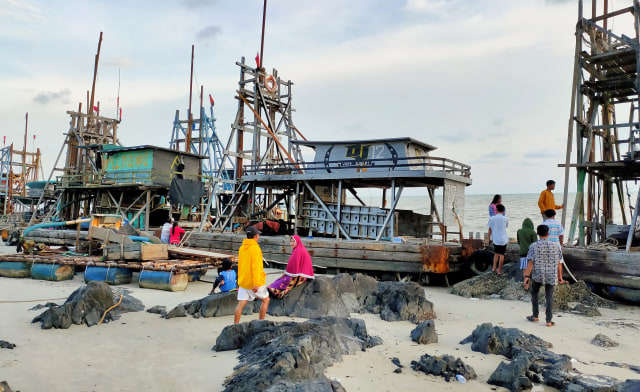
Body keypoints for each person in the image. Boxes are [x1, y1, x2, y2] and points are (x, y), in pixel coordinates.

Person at [523, 224, 564, 327]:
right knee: (549, 296)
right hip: (551, 274)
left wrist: (526, 277)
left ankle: (535, 316)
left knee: (534, 293)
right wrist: (560, 277)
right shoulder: (556, 246)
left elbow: (531, 262)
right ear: (548, 234)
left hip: (538, 274)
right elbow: (559, 263)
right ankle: (548, 321)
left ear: (537, 233)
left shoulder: (533, 246)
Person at [234, 226, 270, 324]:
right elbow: (256, 267)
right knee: (266, 300)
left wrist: (239, 280)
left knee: (241, 304)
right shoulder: (255, 249)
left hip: (243, 280)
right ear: (256, 236)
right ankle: (260, 323)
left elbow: (240, 265)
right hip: (254, 281)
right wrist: (257, 283)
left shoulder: (242, 248)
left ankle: (235, 325)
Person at [542, 209, 566, 284]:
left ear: (546, 215)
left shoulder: (543, 224)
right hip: (556, 245)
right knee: (559, 262)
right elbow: (561, 235)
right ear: (553, 215)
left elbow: (542, 236)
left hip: (546, 246)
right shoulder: (558, 223)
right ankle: (560, 279)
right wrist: (561, 245)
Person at [487, 204, 508, 274]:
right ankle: (499, 270)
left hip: (495, 239)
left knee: (496, 253)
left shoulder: (492, 218)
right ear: (503, 211)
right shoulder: (506, 219)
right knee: (502, 254)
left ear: (496, 210)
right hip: (503, 239)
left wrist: (488, 238)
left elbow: (490, 229)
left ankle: (494, 268)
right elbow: (506, 227)